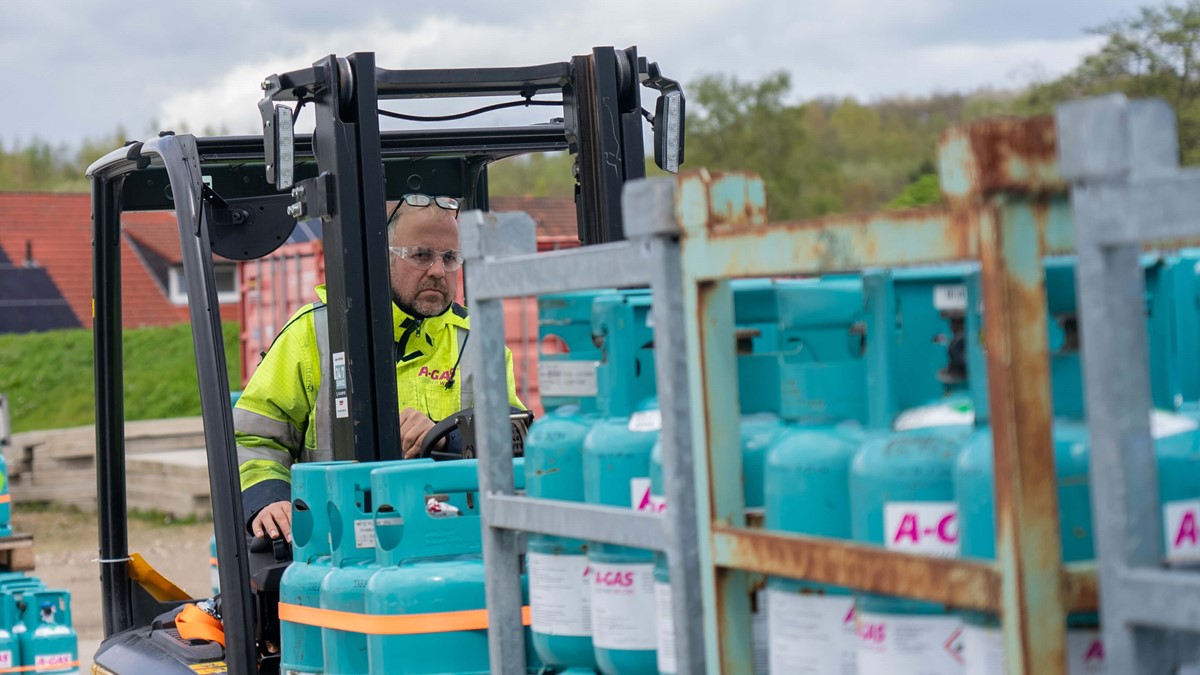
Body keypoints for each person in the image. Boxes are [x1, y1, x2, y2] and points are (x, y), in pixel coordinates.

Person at [234, 193, 526, 542]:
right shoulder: (314, 335)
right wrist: (268, 499)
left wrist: (448, 436)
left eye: (450, 258)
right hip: (336, 548)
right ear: (382, 257)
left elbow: (517, 443)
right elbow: (251, 438)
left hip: (454, 543)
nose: (438, 271)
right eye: (421, 255)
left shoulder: (480, 343)